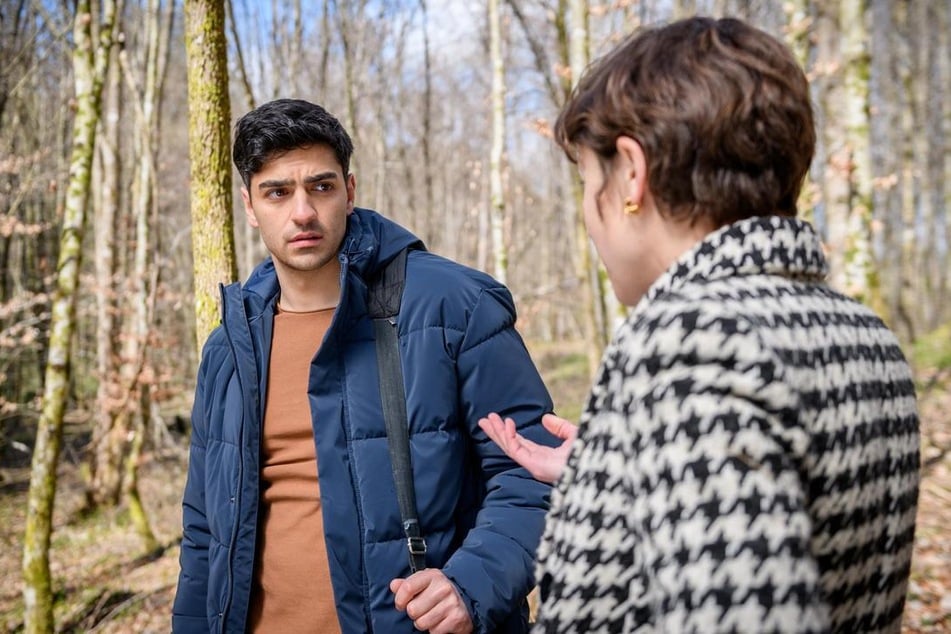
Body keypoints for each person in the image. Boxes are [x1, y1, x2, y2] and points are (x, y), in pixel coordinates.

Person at [479, 16, 920, 634]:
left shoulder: (690, 342)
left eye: (587, 180)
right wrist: (609, 473)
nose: (588, 215)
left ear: (631, 174)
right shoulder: (863, 332)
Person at [173, 98, 557, 634]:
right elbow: (203, 532)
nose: (302, 212)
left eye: (321, 187)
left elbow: (532, 471)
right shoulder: (229, 348)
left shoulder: (452, 306)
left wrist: (471, 584)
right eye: (277, 192)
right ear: (249, 204)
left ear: (350, 192)